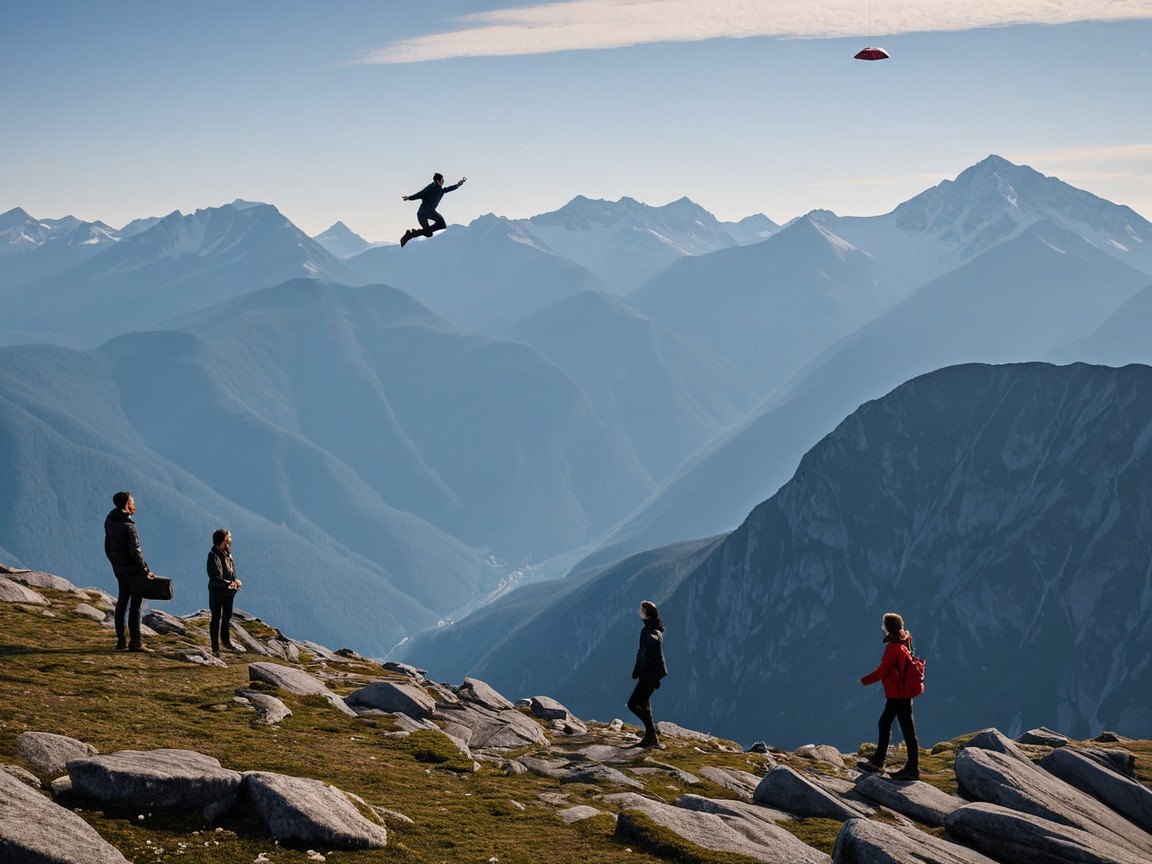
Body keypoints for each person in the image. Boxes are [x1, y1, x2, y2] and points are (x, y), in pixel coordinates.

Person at [857, 612, 920, 780]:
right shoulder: (902, 640)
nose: (882, 627)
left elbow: (882, 671)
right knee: (892, 726)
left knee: (898, 728)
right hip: (899, 695)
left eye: (883, 625)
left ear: (887, 628)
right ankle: (881, 762)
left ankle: (909, 769)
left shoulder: (893, 648)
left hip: (898, 696)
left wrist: (863, 681)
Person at [103, 491, 156, 653]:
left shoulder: (110, 520)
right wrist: (145, 570)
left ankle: (121, 642)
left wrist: (114, 562)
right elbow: (136, 551)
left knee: (122, 602)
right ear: (126, 504)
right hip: (133, 570)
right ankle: (136, 642)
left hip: (119, 568)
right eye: (132, 502)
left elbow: (107, 545)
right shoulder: (129, 526)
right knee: (135, 607)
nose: (134, 505)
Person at [627, 600, 668, 748]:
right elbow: (643, 652)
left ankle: (651, 733)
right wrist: (637, 670)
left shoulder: (650, 631)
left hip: (649, 675)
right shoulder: (651, 628)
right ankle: (651, 739)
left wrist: (642, 671)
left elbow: (650, 650)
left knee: (633, 704)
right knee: (645, 706)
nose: (639, 612)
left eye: (641, 610)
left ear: (646, 613)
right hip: (650, 674)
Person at [400, 172, 467, 247]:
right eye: (442, 180)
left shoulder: (441, 190)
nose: (443, 181)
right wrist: (409, 197)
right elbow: (420, 194)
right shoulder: (431, 188)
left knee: (434, 229)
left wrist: (460, 183)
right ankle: (410, 235)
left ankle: (410, 235)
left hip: (428, 213)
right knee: (433, 229)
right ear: (437, 181)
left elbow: (450, 188)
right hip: (423, 213)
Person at [206, 529, 242, 656]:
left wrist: (235, 580)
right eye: (227, 541)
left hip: (229, 591)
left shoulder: (227, 555)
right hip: (217, 592)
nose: (229, 544)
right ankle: (215, 648)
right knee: (215, 618)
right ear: (221, 541)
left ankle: (226, 642)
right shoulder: (213, 555)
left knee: (227, 617)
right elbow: (215, 577)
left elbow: (231, 572)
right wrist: (229, 583)